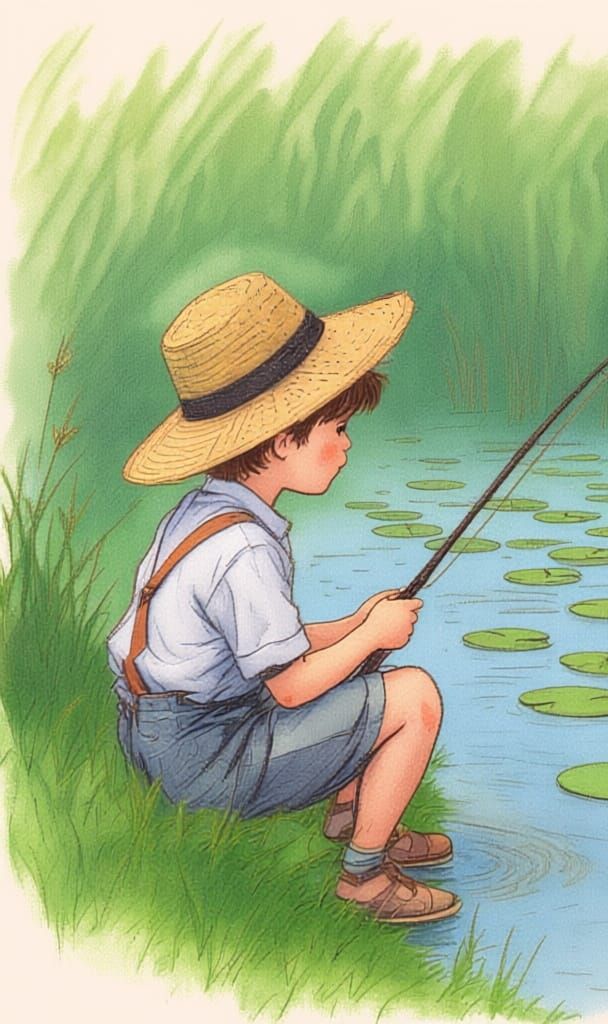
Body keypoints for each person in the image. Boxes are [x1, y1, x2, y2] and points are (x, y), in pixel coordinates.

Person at [106, 271, 460, 925]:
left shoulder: (203, 515)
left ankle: (358, 811)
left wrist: (354, 625)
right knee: (414, 697)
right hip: (203, 760)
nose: (347, 444)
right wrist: (370, 636)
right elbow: (290, 689)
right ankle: (364, 879)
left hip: (153, 736)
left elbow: (260, 648)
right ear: (282, 438)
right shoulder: (244, 550)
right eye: (339, 426)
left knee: (356, 660)